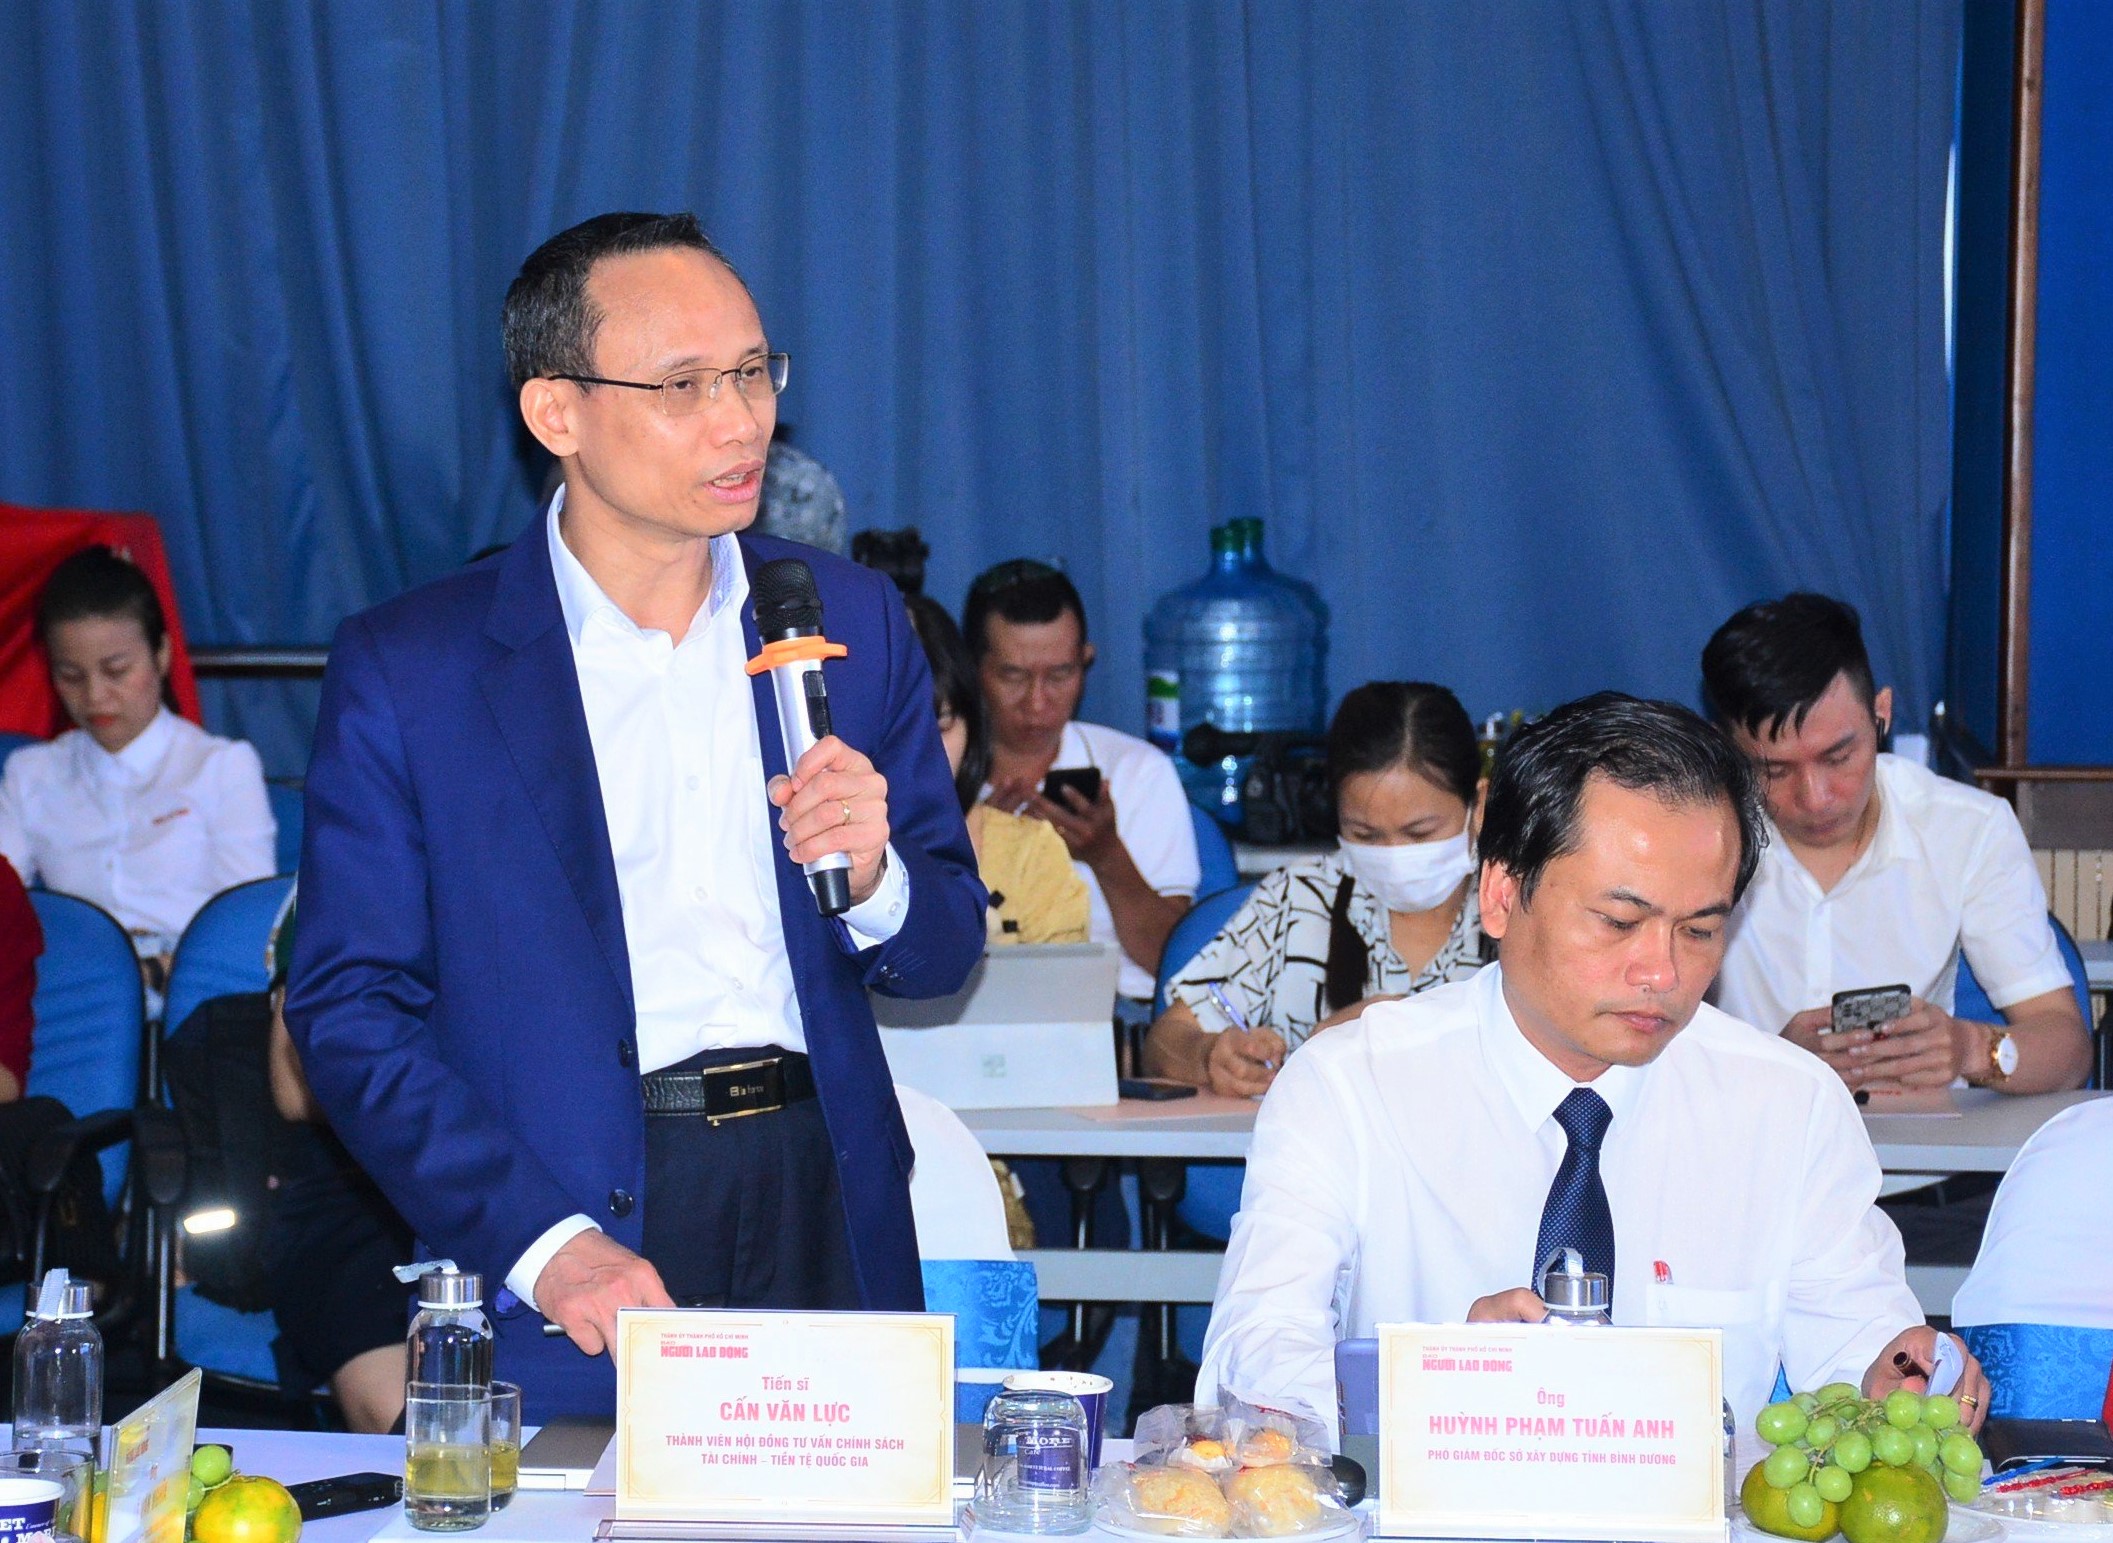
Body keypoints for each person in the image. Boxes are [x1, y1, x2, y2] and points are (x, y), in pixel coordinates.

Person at [285, 211, 986, 1418]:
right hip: (572, 1220)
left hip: (823, 1186)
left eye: (754, 372)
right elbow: (348, 1010)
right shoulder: (415, 669)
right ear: (556, 412)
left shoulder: (852, 621)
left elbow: (945, 949)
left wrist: (879, 881)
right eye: (684, 385)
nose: (741, 420)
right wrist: (543, 1241)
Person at [1197, 693, 1988, 1443]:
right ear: (1500, 894)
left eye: (1698, 930)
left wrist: (1900, 1376)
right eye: (1617, 921)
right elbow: (1251, 1362)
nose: (1662, 973)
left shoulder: (1788, 1105)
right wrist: (1437, 1380)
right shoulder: (1350, 1085)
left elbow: (1861, 1350)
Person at [1702, 594, 2089, 1098]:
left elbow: (2068, 1050)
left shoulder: (1966, 829)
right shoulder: (1694, 836)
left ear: (1881, 714)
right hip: (1747, 1137)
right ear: (1726, 749)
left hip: (1923, 1145)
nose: (1816, 799)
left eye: (1838, 757)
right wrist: (1774, 1065)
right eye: (1774, 770)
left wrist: (1970, 1049)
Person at [1147, 682, 1487, 1096]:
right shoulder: (1299, 899)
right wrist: (1210, 1056)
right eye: (1365, 834)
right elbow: (1166, 1040)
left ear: (1479, 805)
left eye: (1419, 834)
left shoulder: (1523, 911)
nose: (1394, 855)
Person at [0, 547, 275, 974]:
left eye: (117, 671)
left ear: (161, 655)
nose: (95, 696)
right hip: (78, 986)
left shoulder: (222, 767)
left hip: (194, 991)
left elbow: (246, 929)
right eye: (71, 676)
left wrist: (157, 973)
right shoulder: (30, 773)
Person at [964, 559, 1199, 1004]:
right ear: (972, 669)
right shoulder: (936, 777)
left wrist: (1107, 856)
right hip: (978, 1011)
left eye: (1060, 675)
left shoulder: (1136, 773)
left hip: (1119, 1014)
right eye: (1013, 676)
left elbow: (1175, 963)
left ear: (1086, 661)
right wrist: (975, 847)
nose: (1038, 702)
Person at [901, 591, 1087, 946]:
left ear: (971, 723)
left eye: (941, 727)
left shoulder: (1031, 854)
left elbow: (1065, 981)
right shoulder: (810, 852)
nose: (920, 753)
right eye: (899, 732)